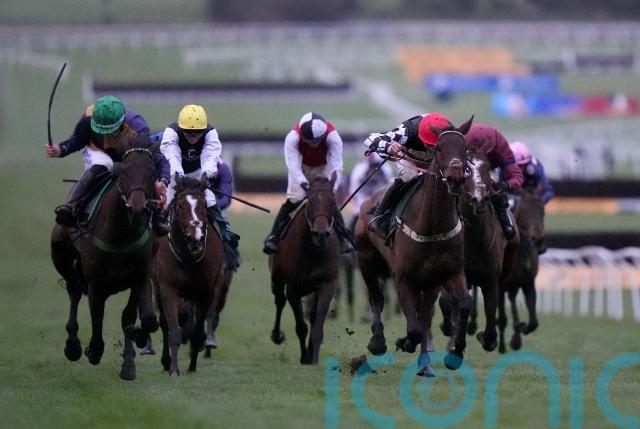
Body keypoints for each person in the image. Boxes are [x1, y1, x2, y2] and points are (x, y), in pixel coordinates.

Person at [45, 95, 171, 235]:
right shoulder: (88, 118)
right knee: (105, 163)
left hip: (127, 156)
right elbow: (77, 140)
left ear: (122, 121)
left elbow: (154, 157)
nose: (106, 138)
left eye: (111, 131)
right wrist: (60, 150)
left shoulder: (138, 127)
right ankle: (71, 206)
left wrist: (162, 180)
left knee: (140, 169)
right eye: (101, 131)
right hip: (97, 152)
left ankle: (157, 218)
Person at [159, 104, 240, 267]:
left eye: (197, 132)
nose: (193, 136)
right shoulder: (171, 132)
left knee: (210, 202)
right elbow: (172, 156)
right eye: (188, 132)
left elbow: (210, 156)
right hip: (176, 176)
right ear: (181, 128)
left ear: (203, 129)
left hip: (198, 175)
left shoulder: (211, 133)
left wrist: (206, 175)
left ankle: (226, 234)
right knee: (164, 204)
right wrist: (179, 176)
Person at [262, 112, 354, 254]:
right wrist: (303, 183)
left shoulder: (333, 137)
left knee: (328, 200)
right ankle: (274, 236)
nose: (313, 145)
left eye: (316, 141)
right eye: (309, 141)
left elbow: (337, 166)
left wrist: (332, 189)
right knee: (294, 199)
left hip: (324, 167)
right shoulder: (292, 137)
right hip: (301, 168)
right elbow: (292, 165)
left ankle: (343, 238)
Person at [364, 112, 452, 238]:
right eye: (428, 145)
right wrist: (389, 147)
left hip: (438, 160)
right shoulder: (408, 130)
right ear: (421, 136)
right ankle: (380, 214)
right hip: (410, 157)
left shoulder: (450, 131)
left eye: (434, 146)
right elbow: (371, 138)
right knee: (409, 176)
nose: (431, 149)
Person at [464, 124, 524, 239]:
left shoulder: (501, 145)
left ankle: (506, 224)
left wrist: (506, 184)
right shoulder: (463, 142)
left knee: (496, 192)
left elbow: (517, 177)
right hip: (468, 165)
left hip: (489, 169)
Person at [347, 152, 395, 223]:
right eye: (373, 164)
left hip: (380, 196)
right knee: (358, 213)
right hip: (364, 196)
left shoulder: (385, 168)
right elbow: (354, 188)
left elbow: (391, 183)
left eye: (376, 164)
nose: (374, 167)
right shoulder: (359, 169)